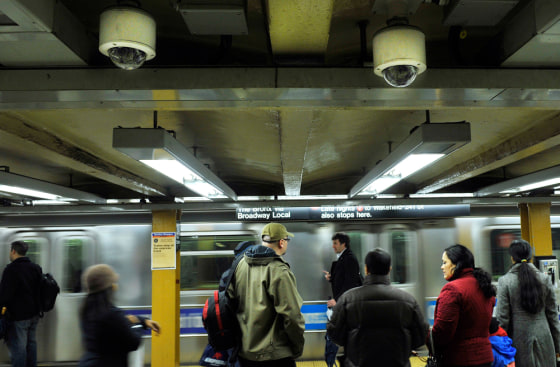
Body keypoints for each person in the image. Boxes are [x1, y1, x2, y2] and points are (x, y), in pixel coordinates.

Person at [327, 248, 428, 367]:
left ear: (366, 269)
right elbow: (421, 336)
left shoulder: (347, 299)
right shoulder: (408, 301)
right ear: (389, 269)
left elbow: (334, 333)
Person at [228, 223, 305, 367]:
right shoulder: (279, 270)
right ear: (282, 242)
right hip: (274, 355)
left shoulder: (240, 265)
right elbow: (292, 316)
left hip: (245, 353)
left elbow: (231, 302)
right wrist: (297, 348)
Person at [79, 264, 160, 367]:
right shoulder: (112, 314)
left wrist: (144, 321)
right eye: (114, 283)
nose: (115, 286)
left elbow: (118, 324)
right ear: (109, 287)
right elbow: (133, 342)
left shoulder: (87, 309)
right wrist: (137, 324)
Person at [496, 239, 560, 367]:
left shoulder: (505, 281)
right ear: (530, 257)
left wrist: (502, 349)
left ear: (512, 258)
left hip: (519, 340)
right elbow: (553, 315)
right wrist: (558, 345)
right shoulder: (544, 279)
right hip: (545, 338)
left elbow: (503, 319)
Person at [432, 244, 496, 367]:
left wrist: (431, 343)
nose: (442, 267)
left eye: (445, 263)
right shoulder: (483, 285)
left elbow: (443, 330)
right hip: (485, 357)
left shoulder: (452, 289)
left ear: (456, 265)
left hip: (460, 358)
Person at [0, 241, 42, 367]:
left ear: (13, 251)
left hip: (18, 316)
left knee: (19, 348)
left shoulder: (11, 269)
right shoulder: (36, 268)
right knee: (31, 345)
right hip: (34, 315)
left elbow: (4, 295)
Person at [323, 232, 362, 308]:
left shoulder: (350, 258)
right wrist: (331, 277)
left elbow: (350, 283)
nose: (333, 246)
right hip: (344, 302)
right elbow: (342, 276)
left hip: (348, 303)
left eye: (335, 243)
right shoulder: (343, 257)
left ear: (343, 244)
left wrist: (337, 300)